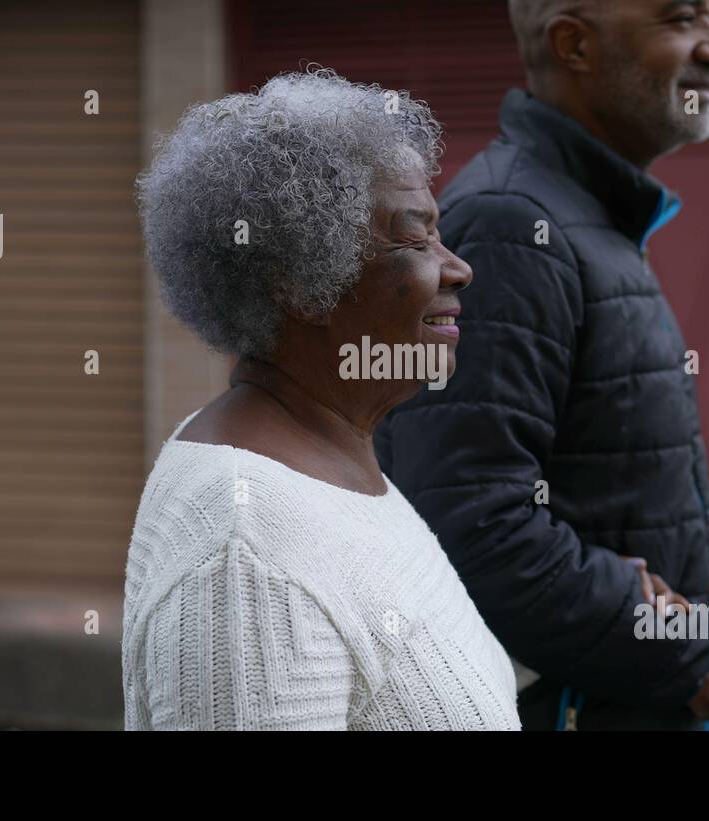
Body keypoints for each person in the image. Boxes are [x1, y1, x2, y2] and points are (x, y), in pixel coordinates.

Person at [375, 0, 709, 730]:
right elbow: (472, 525)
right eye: (682, 18)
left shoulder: (585, 215)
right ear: (574, 45)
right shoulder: (509, 223)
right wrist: (680, 651)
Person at [122, 68, 521, 730]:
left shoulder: (334, 460)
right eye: (415, 238)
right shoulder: (242, 544)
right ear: (300, 284)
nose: (457, 267)